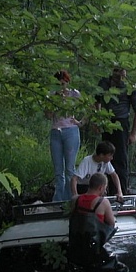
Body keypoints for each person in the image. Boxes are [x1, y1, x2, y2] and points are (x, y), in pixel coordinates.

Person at [64, 173, 128, 272]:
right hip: (95, 255)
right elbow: (111, 224)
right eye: (105, 188)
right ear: (101, 187)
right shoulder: (103, 202)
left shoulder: (75, 200)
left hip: (76, 256)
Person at [96, 66, 136, 195]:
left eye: (122, 72)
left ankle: (121, 193)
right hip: (106, 121)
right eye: (116, 71)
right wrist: (98, 119)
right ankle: (106, 190)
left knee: (120, 159)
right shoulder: (104, 83)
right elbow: (96, 101)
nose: (119, 75)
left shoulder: (130, 87)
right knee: (105, 156)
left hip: (121, 124)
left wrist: (133, 133)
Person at [47, 69, 82, 202]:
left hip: (71, 131)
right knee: (58, 170)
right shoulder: (51, 95)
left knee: (69, 169)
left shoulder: (74, 94)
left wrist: (80, 122)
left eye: (63, 84)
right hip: (56, 131)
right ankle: (58, 201)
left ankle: (70, 200)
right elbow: (48, 115)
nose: (61, 87)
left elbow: (89, 107)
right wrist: (54, 101)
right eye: (58, 84)